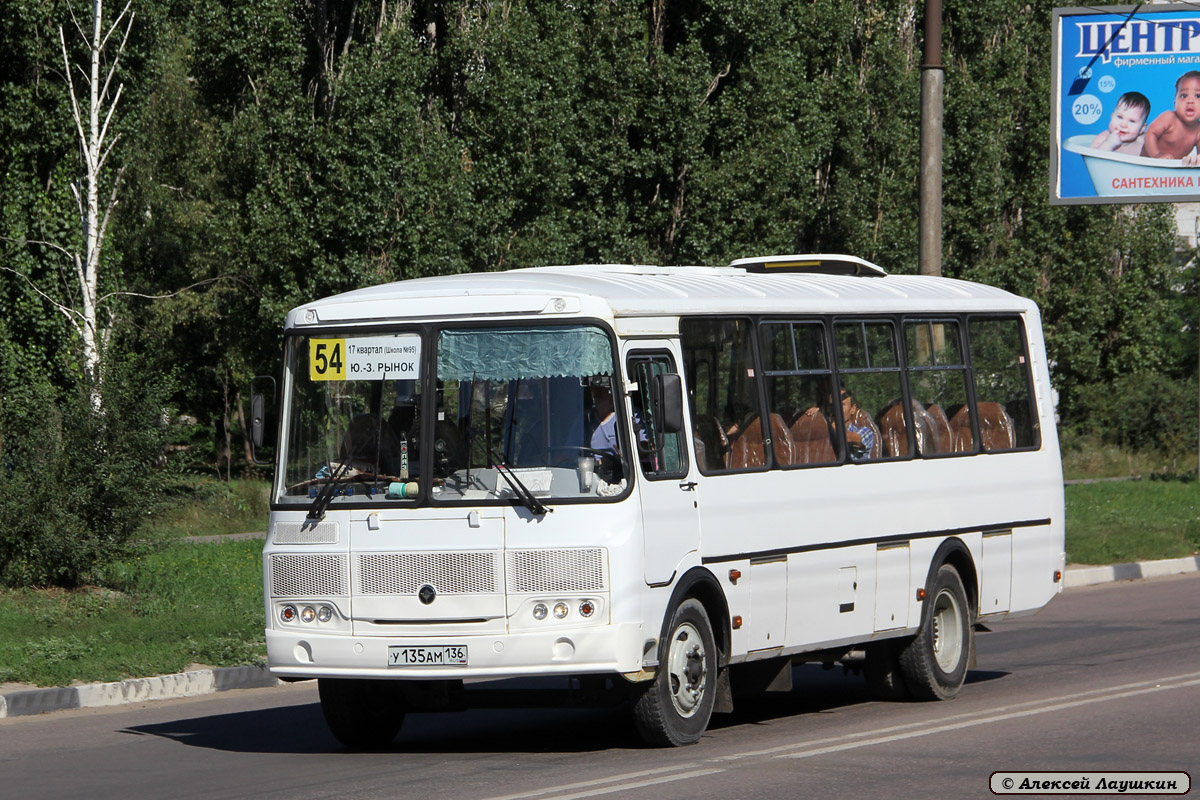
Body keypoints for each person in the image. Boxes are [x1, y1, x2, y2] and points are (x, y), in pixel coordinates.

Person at [1143, 72, 1200, 164]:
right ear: (1175, 103)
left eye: (1198, 96)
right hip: (1145, 163)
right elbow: (1150, 133)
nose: (1190, 101)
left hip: (1169, 173)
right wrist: (1157, 155)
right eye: (1184, 96)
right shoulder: (1169, 118)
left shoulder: (1198, 130)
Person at [1090, 91, 1150, 155]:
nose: (1123, 125)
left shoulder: (1143, 141)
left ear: (1142, 128)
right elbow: (1093, 158)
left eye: (1132, 121)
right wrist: (1109, 144)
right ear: (1112, 117)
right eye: (1120, 117)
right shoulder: (1104, 138)